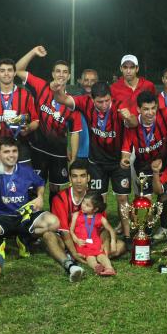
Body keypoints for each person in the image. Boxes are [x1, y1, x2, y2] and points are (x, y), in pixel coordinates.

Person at [51, 81, 135, 242]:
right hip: (96, 161)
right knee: (99, 199)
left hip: (119, 161)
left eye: (106, 101)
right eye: (100, 102)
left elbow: (134, 124)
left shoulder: (119, 105)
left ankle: (127, 235)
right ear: (92, 99)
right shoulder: (85, 102)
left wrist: (129, 117)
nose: (104, 105)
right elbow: (62, 99)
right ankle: (98, 234)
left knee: (123, 199)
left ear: (111, 97)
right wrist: (56, 91)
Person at [14, 46, 83, 204]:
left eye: (65, 72)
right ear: (53, 74)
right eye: (58, 71)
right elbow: (17, 70)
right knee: (35, 186)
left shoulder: (71, 103)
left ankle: (56, 223)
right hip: (37, 148)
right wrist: (32, 52)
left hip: (58, 153)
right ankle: (31, 221)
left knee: (56, 189)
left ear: (69, 76)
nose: (61, 74)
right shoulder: (40, 86)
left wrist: (73, 157)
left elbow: (75, 132)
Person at [0, 137, 61, 258]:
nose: (11, 155)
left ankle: (24, 237)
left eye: (14, 151)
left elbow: (40, 183)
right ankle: (0, 240)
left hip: (23, 216)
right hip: (0, 217)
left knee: (54, 223)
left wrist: (39, 196)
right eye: (6, 152)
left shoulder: (25, 170)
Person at [49, 159, 126, 281]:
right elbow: (65, 231)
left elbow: (103, 228)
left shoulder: (94, 198)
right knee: (49, 236)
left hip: (91, 242)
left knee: (120, 245)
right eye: (74, 176)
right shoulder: (60, 198)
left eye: (82, 176)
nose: (79, 181)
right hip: (69, 240)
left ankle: (91, 257)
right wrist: (74, 252)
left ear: (88, 178)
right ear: (70, 179)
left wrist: (105, 245)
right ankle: (71, 259)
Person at [0, 59, 39, 164]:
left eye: (9, 70)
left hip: (21, 145)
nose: (6, 73)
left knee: (22, 180)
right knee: (0, 180)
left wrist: (28, 128)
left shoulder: (25, 95)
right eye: (2, 70)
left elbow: (36, 121)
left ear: (15, 73)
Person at [69, 191, 117, 276]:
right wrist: (76, 240)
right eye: (83, 202)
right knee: (90, 257)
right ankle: (96, 267)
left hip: (96, 243)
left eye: (87, 205)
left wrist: (113, 242)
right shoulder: (76, 215)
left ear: (95, 209)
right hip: (83, 244)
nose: (83, 206)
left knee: (102, 256)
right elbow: (71, 231)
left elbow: (111, 230)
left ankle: (109, 268)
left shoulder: (100, 218)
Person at [76, 69, 99, 159]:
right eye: (86, 80)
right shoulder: (75, 102)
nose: (89, 83)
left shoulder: (104, 102)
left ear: (97, 82)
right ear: (81, 81)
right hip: (80, 152)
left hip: (100, 153)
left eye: (92, 81)